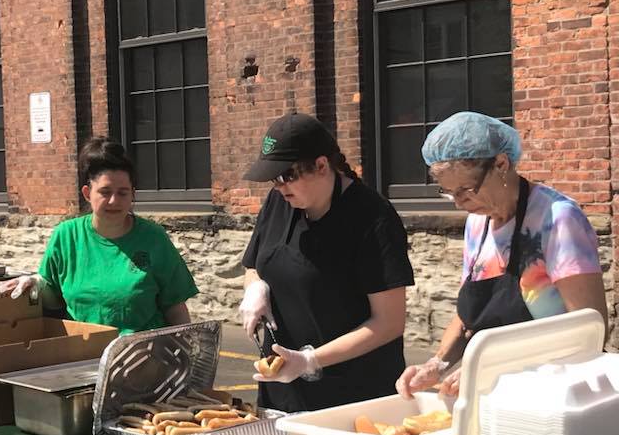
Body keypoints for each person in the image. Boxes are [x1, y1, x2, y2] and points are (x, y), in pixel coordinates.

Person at [397, 111, 607, 398]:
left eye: (467, 190)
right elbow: (468, 317)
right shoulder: (477, 221)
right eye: (448, 193)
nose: (459, 203)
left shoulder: (557, 218)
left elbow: (590, 328)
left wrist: (497, 367)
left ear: (501, 163)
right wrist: (438, 363)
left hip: (556, 394)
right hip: (489, 392)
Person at [238, 112, 415, 412]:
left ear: (321, 166)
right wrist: (255, 288)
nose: (279, 187)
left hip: (352, 395)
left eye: (286, 176)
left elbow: (389, 322)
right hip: (283, 391)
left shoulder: (372, 218)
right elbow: (254, 263)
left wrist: (311, 360)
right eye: (273, 179)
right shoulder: (279, 202)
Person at [0, 137, 198, 334]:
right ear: (87, 193)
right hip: (83, 356)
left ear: (132, 194)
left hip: (143, 357)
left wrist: (187, 352)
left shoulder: (153, 238)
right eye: (105, 192)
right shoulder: (67, 236)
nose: (113, 201)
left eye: (123, 193)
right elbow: (54, 297)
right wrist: (37, 285)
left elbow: (174, 307)